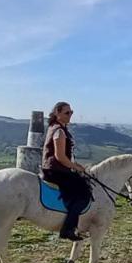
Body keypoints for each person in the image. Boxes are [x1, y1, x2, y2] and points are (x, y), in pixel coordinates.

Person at [41, 101, 93, 241]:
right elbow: (60, 157)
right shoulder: (59, 131)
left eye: (71, 112)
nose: (70, 115)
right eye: (67, 112)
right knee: (83, 194)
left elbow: (65, 156)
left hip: (55, 168)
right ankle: (68, 229)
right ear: (57, 113)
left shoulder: (56, 127)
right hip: (56, 170)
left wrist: (77, 165)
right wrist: (75, 167)